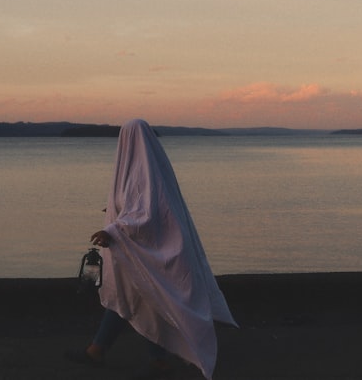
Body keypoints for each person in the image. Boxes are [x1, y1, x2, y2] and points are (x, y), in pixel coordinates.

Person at [66, 119, 236, 380]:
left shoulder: (143, 172)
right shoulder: (150, 169)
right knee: (135, 299)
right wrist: (114, 211)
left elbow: (148, 214)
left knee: (134, 298)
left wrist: (112, 230)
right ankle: (130, 356)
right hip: (141, 251)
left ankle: (104, 352)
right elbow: (143, 206)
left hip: (147, 252)